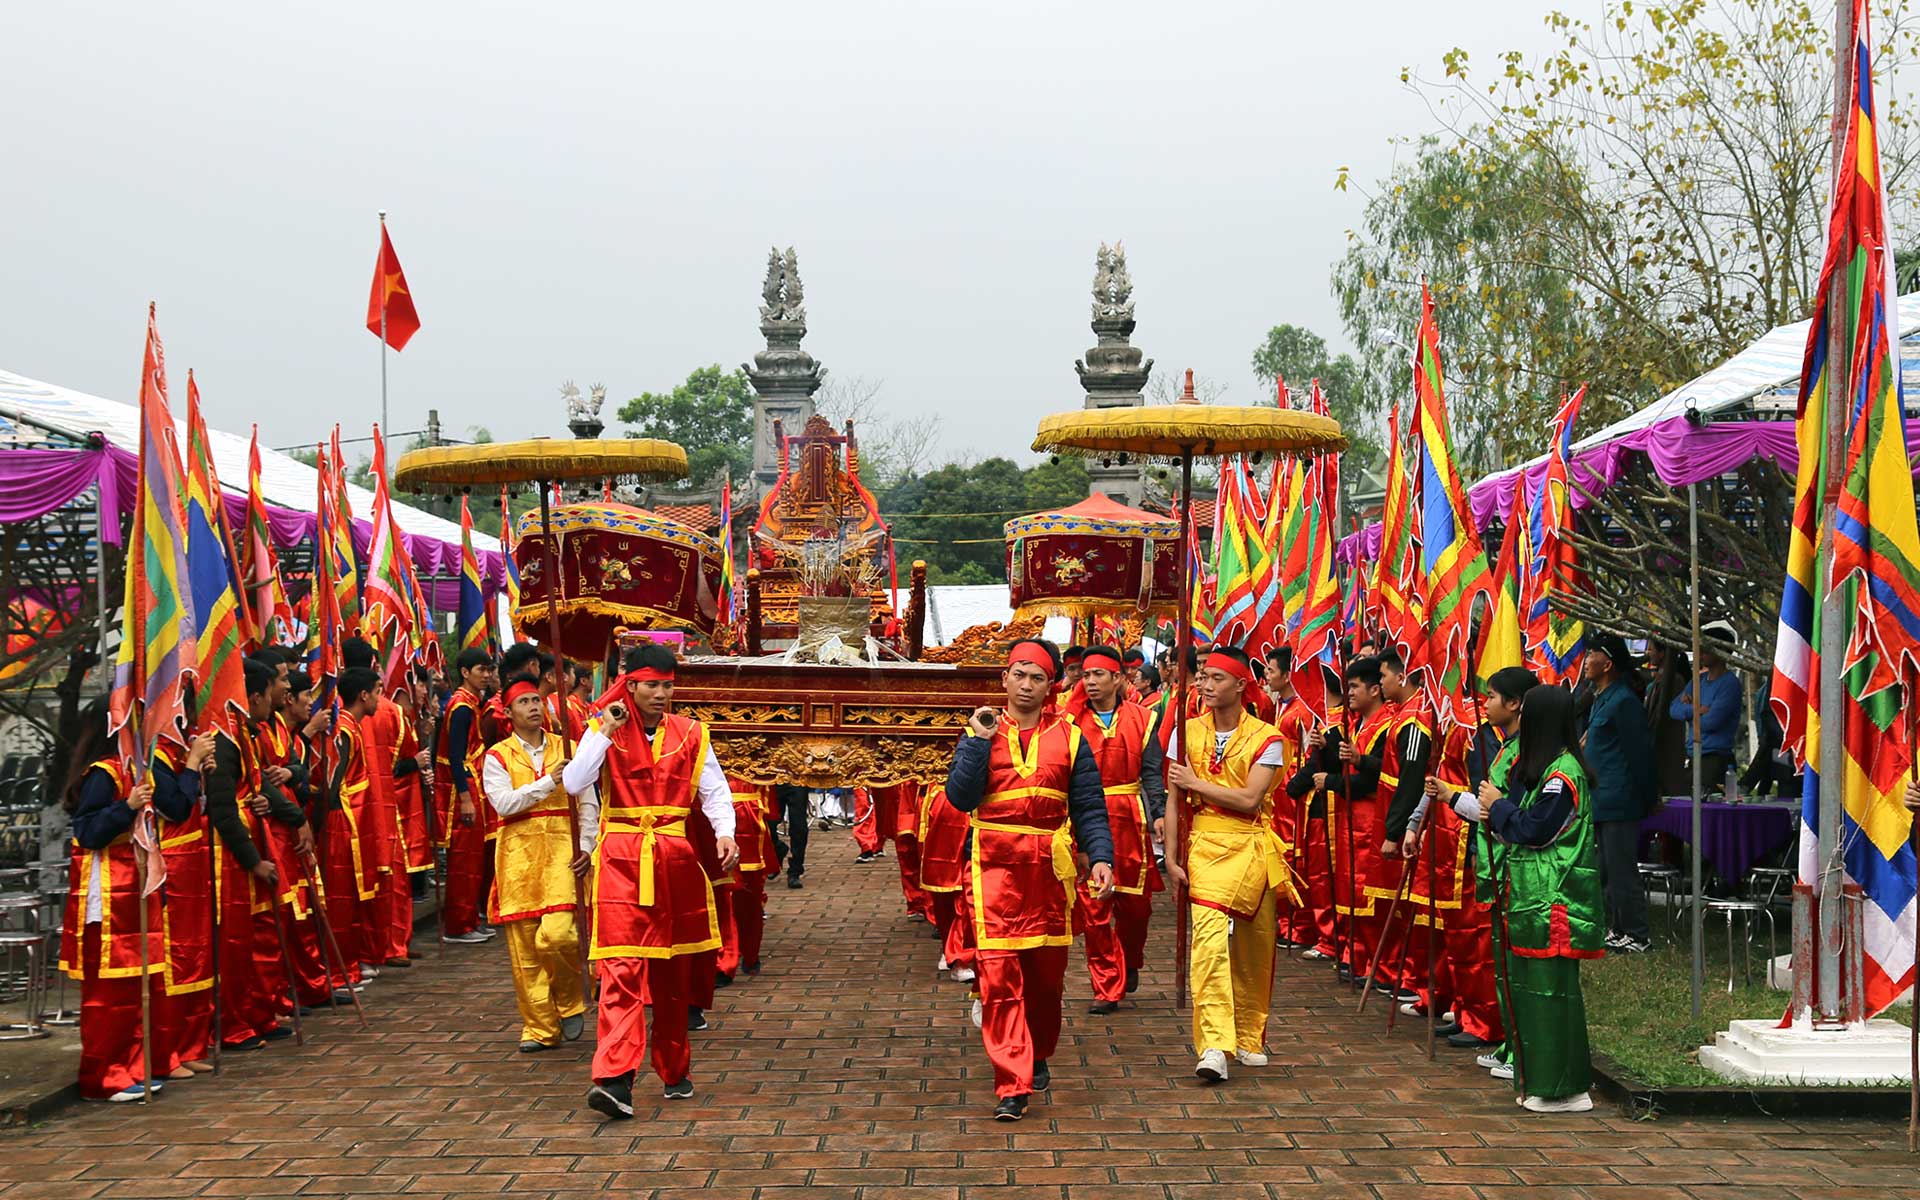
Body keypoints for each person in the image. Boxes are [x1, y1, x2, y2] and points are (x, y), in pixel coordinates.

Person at [944, 639, 1115, 1122]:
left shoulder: (1072, 736)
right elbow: (960, 797)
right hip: (992, 867)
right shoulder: (979, 732)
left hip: (1047, 869)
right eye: (1018, 674)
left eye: (1036, 677)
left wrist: (1100, 856)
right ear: (1004, 680)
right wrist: (978, 741)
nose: (1026, 684)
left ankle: (1036, 1051)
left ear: (1050, 686)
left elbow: (1088, 805)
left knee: (1045, 980)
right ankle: (1011, 1083)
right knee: (998, 977)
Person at [566, 643, 738, 1117]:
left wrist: (725, 832)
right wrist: (604, 731)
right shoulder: (603, 729)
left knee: (672, 973)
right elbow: (575, 781)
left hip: (676, 860)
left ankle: (674, 1067)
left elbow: (715, 789)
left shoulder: (691, 733)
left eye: (667, 686)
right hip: (621, 861)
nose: (661, 694)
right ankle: (614, 1079)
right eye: (652, 685)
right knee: (620, 972)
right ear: (631, 683)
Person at [1453, 683, 1603, 1114]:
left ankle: (1560, 1088)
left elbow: (1536, 829)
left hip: (1552, 905)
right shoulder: (1551, 769)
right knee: (1537, 996)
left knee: (1551, 998)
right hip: (1533, 902)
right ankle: (1558, 1085)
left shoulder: (1562, 775)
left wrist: (1499, 806)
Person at [1164, 645, 1295, 1084]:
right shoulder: (1184, 732)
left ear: (1241, 684)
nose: (1205, 684)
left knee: (1253, 946)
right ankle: (1214, 1044)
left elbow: (1249, 799)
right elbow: (1173, 800)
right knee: (1209, 941)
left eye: (1216, 677)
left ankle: (1248, 1035)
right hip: (1203, 844)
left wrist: (1195, 782)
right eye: (1202, 676)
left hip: (1251, 843)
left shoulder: (1268, 738)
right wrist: (1173, 856)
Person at [59, 700, 197, 1101]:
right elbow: (88, 830)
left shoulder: (135, 769)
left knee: (138, 986)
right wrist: (128, 807)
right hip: (107, 891)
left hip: (135, 885)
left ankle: (131, 1065)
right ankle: (104, 1075)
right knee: (109, 994)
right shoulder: (103, 773)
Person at [1431, 665, 1536, 1080]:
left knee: (1514, 962)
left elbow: (1510, 815)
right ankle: (1510, 1041)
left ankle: (1518, 1046)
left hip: (1516, 865)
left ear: (1515, 704)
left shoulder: (1525, 754)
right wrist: (1451, 796)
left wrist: (1457, 798)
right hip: (1497, 862)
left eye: (1492, 696)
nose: (1484, 703)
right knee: (1501, 958)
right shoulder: (1508, 747)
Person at [205, 659, 308, 1050]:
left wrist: (290, 813)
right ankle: (233, 1024)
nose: (274, 699)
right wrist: (253, 860)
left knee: (259, 938)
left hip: (253, 845)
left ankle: (257, 1015)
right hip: (229, 860)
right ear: (252, 697)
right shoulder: (223, 741)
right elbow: (223, 809)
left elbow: (260, 782)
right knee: (234, 944)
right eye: (270, 691)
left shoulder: (244, 735)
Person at [481, 676, 588, 1053]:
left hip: (562, 847)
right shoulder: (496, 756)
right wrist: (547, 781)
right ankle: (540, 1028)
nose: (533, 707)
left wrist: (587, 845)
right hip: (517, 855)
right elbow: (504, 804)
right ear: (508, 713)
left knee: (558, 934)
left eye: (536, 700)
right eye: (524, 702)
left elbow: (588, 800)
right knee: (525, 947)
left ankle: (570, 998)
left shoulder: (569, 748)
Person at [1060, 645, 1166, 1010]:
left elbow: (1152, 774)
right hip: (1086, 821)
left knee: (1137, 909)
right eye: (1085, 675)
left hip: (1130, 819)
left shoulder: (1144, 719)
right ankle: (1107, 986)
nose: (1089, 681)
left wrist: (1161, 814)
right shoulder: (1069, 721)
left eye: (1098, 675)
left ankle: (1131, 959)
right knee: (1094, 908)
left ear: (1118, 679)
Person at [342, 638, 417, 969]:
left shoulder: (332, 710)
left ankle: (365, 951)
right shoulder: (391, 711)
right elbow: (409, 757)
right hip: (381, 802)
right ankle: (392, 943)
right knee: (385, 873)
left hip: (352, 805)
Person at [1582, 633, 1655, 953]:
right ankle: (1618, 927)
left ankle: (1638, 934)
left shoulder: (1624, 700)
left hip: (1620, 797)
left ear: (1607, 663)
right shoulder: (1601, 696)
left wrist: (1649, 796)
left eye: (1592, 655)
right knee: (1607, 868)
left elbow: (1639, 753)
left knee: (1622, 868)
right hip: (1601, 797)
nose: (1586, 661)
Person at [437, 648, 499, 944]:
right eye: (480, 670)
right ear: (464, 672)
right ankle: (458, 925)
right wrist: (464, 796)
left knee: (473, 860)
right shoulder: (461, 707)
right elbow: (454, 755)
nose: (486, 675)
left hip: (474, 786)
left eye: (488, 670)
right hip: (464, 790)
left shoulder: (472, 704)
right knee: (463, 861)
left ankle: (470, 919)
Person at [1668, 621, 1743, 788]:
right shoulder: (1698, 680)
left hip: (1715, 759)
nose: (1700, 653)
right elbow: (1673, 709)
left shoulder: (1730, 684)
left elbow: (1710, 722)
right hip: (1694, 756)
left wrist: (1689, 714)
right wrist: (1697, 709)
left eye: (1705, 649)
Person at [1642, 642, 1693, 800]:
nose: (1647, 652)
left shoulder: (1675, 681)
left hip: (1669, 748)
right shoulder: (1656, 683)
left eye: (1651, 649)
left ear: (1663, 653)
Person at [773, 783, 810, 888]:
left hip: (798, 779)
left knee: (799, 827)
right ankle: (778, 849)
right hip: (773, 779)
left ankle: (795, 870)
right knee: (769, 824)